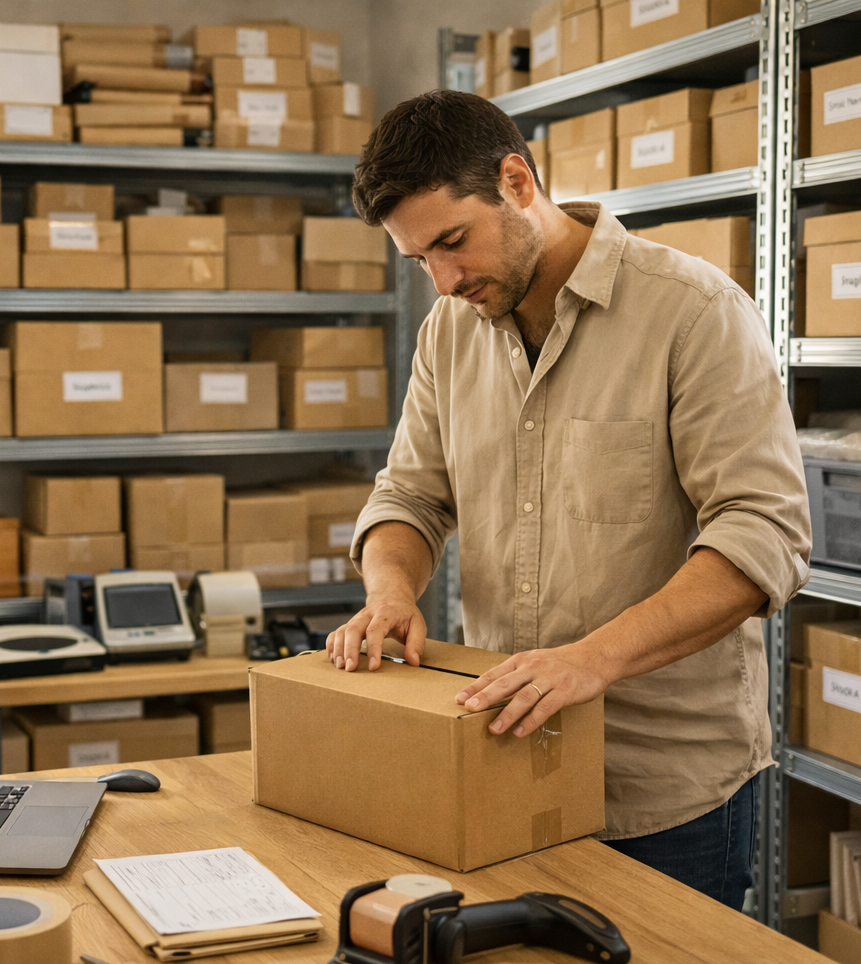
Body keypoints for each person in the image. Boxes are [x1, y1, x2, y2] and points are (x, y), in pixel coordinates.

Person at [325, 90, 811, 909]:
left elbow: (763, 534)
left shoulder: (692, 311)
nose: (444, 282)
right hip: (505, 757)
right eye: (419, 260)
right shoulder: (449, 331)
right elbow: (409, 493)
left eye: (453, 242)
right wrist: (390, 590)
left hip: (661, 793)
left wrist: (593, 659)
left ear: (517, 182)